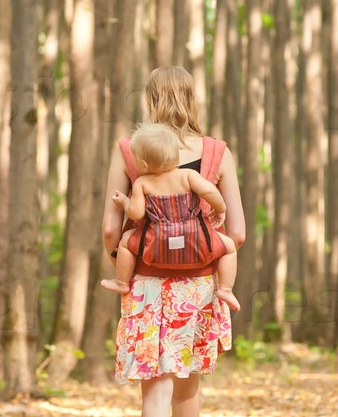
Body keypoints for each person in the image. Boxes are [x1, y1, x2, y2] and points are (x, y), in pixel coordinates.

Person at [102, 66, 245, 417]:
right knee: (187, 391)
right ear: (192, 98)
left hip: (145, 286)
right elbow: (237, 232)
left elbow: (110, 228)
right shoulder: (217, 153)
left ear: (150, 100)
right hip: (199, 287)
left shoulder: (130, 151)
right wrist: (208, 248)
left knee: (154, 391)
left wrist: (125, 258)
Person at [101, 121, 240, 311]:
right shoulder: (188, 175)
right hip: (196, 240)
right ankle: (225, 288)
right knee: (229, 247)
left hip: (154, 245)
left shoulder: (142, 183)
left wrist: (125, 202)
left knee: (126, 241)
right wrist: (220, 208)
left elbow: (136, 213)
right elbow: (209, 192)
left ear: (142, 163)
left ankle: (122, 282)